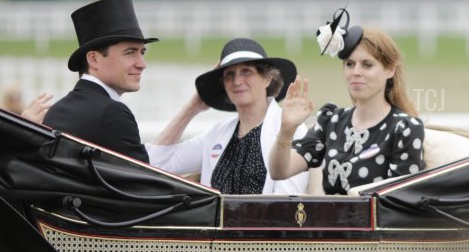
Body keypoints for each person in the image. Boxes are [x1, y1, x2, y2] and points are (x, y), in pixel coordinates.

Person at [269, 10, 425, 195]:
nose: (356, 72)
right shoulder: (331, 120)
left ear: (389, 70)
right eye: (350, 64)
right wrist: (287, 129)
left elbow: (400, 200)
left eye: (367, 65)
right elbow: (280, 171)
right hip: (330, 222)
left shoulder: (404, 128)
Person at [147, 38, 309, 194]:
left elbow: (286, 202)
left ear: (267, 78)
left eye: (246, 71)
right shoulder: (217, 134)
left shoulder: (290, 128)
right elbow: (156, 164)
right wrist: (191, 108)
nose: (237, 81)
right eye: (229, 75)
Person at [43, 0, 156, 163]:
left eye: (142, 52)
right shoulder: (112, 113)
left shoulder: (57, 110)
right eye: (130, 53)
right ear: (94, 59)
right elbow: (143, 185)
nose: (142, 64)